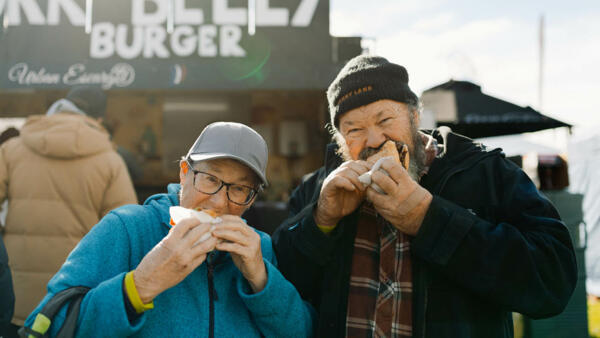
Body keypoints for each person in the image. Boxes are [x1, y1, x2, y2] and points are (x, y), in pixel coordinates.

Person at [272, 55, 577, 337]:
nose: (374, 139)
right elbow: (281, 283)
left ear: (415, 117)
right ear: (340, 141)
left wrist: (428, 219)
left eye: (385, 121)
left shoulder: (484, 173)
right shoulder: (320, 189)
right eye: (354, 129)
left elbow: (553, 282)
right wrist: (321, 219)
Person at [23, 122, 315, 337]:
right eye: (211, 179)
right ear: (184, 172)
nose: (219, 201)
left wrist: (262, 280)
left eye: (239, 189)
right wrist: (140, 285)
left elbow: (302, 332)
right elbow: (47, 325)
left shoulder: (259, 248)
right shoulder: (127, 228)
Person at [0, 85, 137, 328]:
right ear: (98, 119)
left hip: (14, 295)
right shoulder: (110, 161)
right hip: (74, 299)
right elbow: (128, 234)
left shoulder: (11, 150)